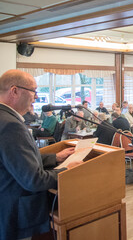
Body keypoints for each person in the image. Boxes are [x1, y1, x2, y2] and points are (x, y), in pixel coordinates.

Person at [0, 69, 79, 240]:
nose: (36, 96)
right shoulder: (10, 125)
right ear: (14, 91)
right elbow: (33, 180)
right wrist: (65, 170)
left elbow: (17, 162)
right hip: (15, 213)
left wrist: (55, 157)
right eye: (34, 91)